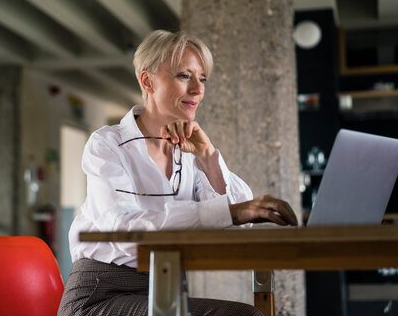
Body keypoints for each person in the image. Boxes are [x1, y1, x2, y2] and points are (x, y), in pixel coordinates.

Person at [58, 30, 298, 316]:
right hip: (101, 296)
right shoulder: (107, 143)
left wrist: (207, 155)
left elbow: (237, 224)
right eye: (184, 76)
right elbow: (122, 230)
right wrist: (232, 212)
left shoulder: (188, 151)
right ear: (147, 81)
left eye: (202, 78)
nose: (198, 89)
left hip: (165, 289)